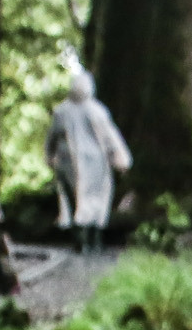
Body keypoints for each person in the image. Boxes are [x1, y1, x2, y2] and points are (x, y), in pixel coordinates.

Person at [45, 72, 131, 255]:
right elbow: (110, 137)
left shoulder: (63, 111)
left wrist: (49, 156)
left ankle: (82, 241)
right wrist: (122, 159)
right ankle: (92, 241)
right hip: (94, 164)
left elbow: (51, 138)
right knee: (94, 201)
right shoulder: (97, 111)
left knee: (76, 201)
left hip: (71, 163)